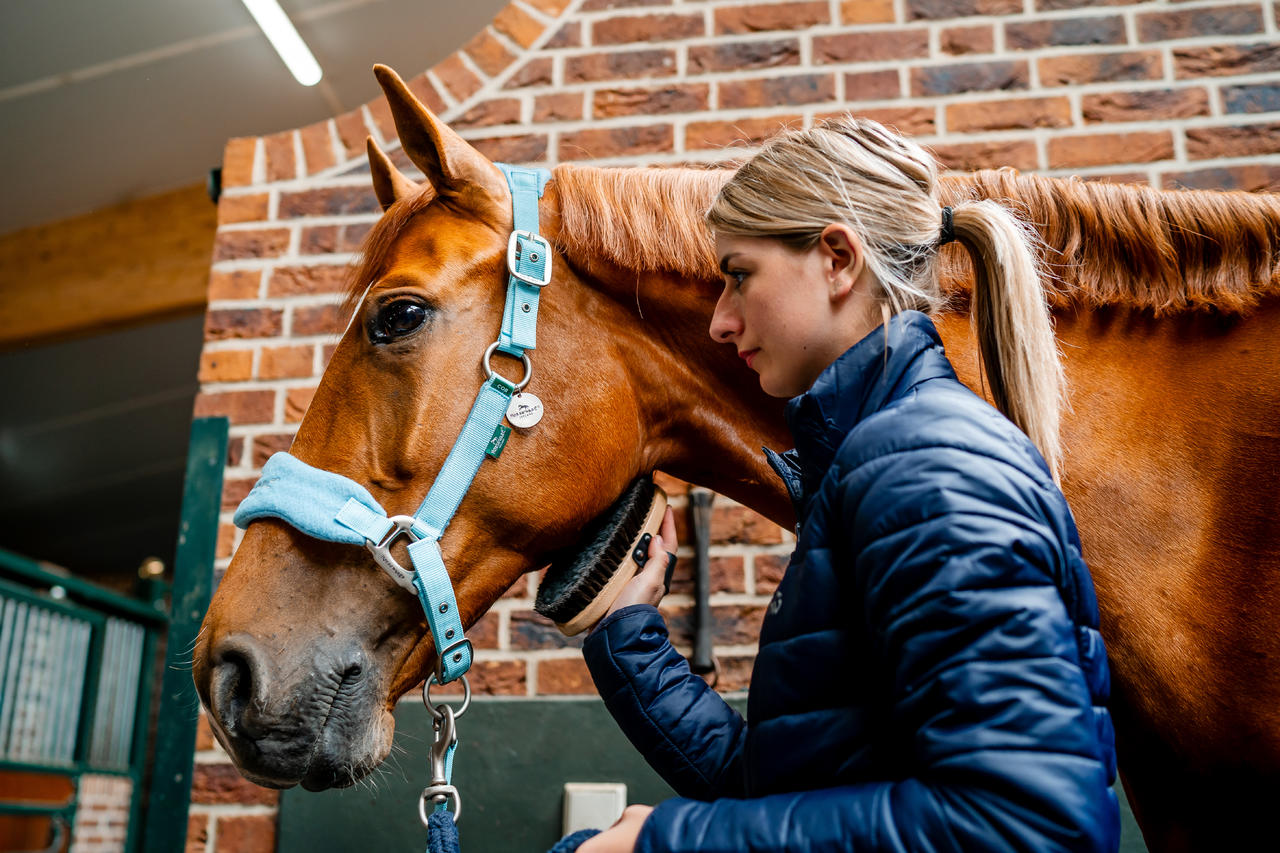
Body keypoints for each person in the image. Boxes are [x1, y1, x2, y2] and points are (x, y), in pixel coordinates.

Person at [577, 118, 1120, 853]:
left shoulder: (928, 463)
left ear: (837, 259)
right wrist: (628, 638)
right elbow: (789, 792)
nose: (720, 322)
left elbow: (1025, 825)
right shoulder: (880, 461)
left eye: (738, 276)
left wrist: (667, 842)